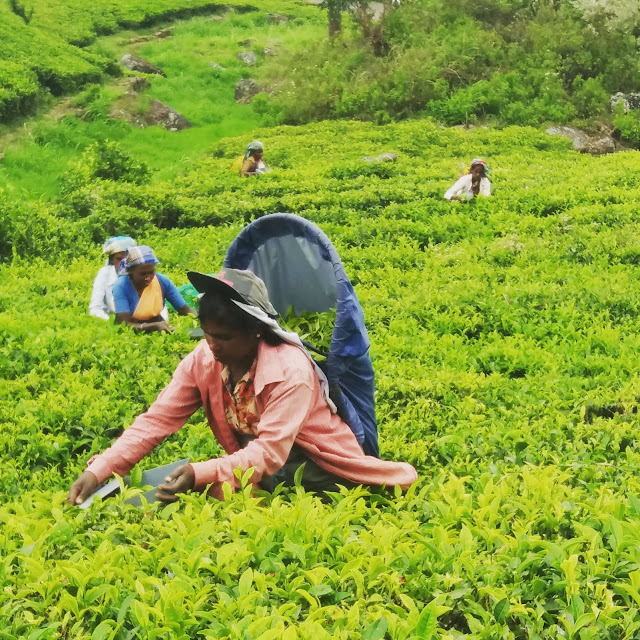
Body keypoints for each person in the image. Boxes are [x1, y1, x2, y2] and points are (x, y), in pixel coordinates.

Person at [68, 269, 417, 505]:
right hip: (255, 466)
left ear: (256, 332)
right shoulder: (203, 360)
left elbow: (269, 453)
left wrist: (201, 473)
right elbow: (156, 421)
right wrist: (100, 469)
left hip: (315, 465)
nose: (213, 346)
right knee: (173, 493)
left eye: (224, 337)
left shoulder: (288, 370)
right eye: (206, 334)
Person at [112, 246, 196, 333]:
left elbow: (185, 310)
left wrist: (205, 320)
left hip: (159, 329)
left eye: (151, 272)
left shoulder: (162, 281)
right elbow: (123, 324)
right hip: (130, 334)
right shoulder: (121, 285)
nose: (148, 278)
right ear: (131, 272)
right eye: (143, 274)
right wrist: (151, 327)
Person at [89, 236, 137, 321]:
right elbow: (95, 308)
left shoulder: (141, 272)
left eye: (127, 258)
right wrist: (112, 323)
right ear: (112, 260)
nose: (124, 263)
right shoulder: (104, 274)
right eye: (119, 259)